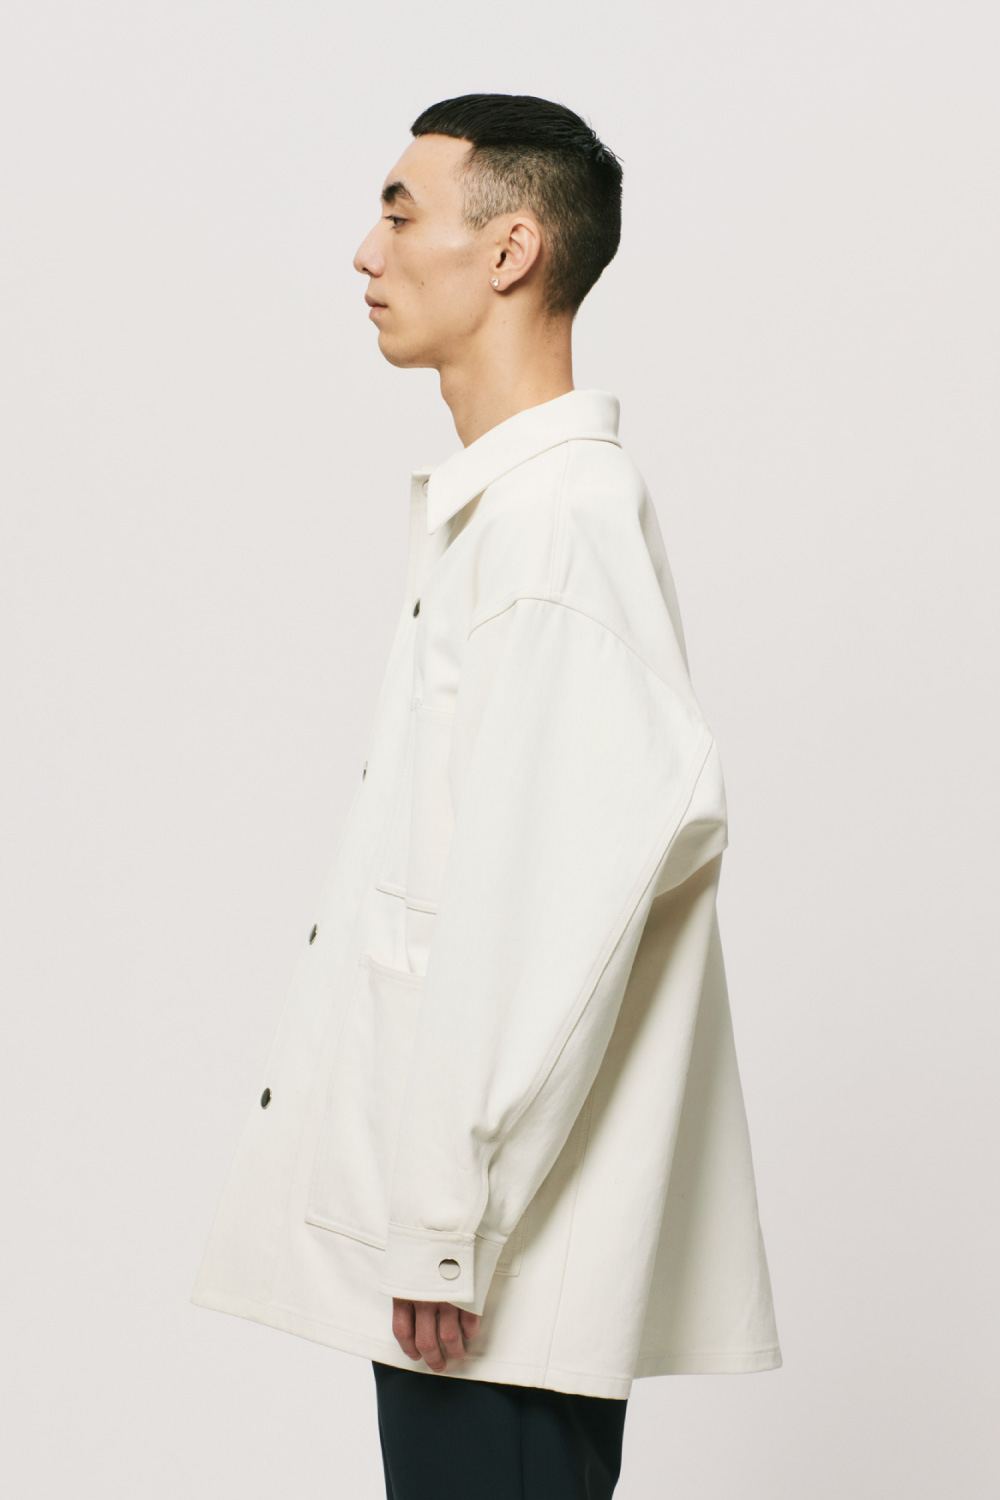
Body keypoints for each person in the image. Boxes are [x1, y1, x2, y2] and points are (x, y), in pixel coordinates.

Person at [190, 92, 782, 1500]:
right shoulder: (510, 517)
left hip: (488, 1274)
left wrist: (448, 1223)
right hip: (470, 1254)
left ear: (512, 250)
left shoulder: (556, 527)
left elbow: (550, 913)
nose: (366, 252)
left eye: (400, 213)